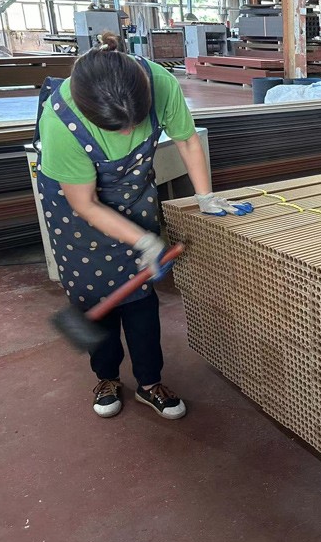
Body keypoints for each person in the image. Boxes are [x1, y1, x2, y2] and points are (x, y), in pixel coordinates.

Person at [35, 32, 252, 419]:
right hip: (76, 211)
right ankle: (106, 377)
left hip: (132, 196)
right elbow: (85, 203)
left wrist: (205, 195)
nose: (127, 134)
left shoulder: (160, 83)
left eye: (134, 124)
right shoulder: (59, 121)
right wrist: (144, 241)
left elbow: (187, 140)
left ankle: (150, 383)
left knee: (140, 299)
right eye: (115, 129)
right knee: (93, 299)